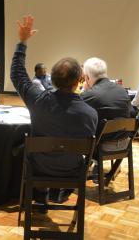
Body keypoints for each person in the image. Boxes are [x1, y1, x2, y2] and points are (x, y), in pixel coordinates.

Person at [10, 15, 97, 208]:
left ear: (53, 80)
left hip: (38, 167)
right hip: (72, 170)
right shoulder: (90, 113)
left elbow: (17, 74)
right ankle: (60, 192)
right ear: (79, 81)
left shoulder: (37, 100)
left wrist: (22, 42)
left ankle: (40, 194)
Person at [81, 57, 131, 122]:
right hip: (124, 131)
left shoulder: (89, 95)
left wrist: (85, 91)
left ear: (87, 77)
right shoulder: (122, 90)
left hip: (99, 132)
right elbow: (132, 113)